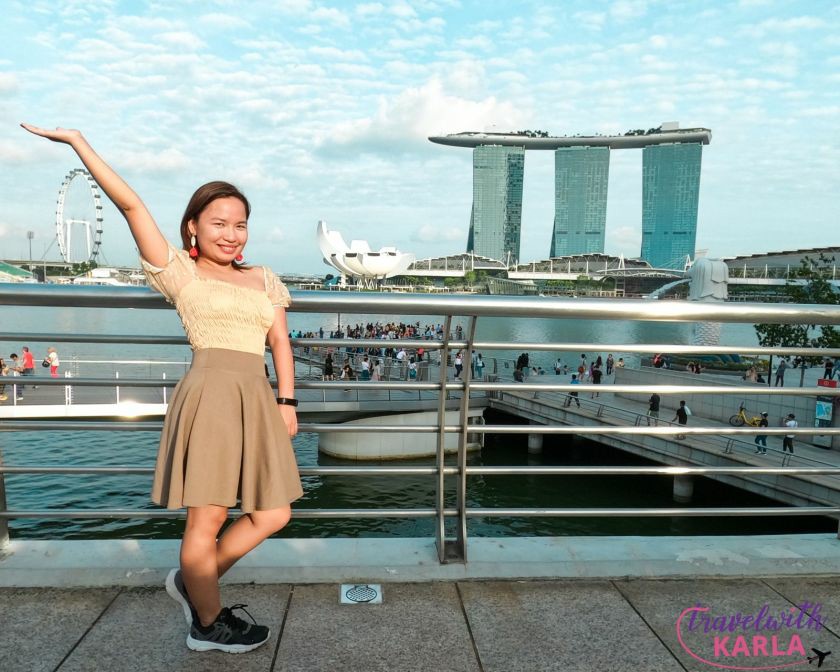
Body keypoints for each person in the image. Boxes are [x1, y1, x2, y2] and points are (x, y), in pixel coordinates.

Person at [23, 123, 302, 654]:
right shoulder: (180, 272)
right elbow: (130, 206)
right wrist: (81, 143)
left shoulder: (264, 277)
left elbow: (281, 344)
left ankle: (194, 582)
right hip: (210, 397)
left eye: (241, 225)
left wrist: (287, 401)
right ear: (192, 227)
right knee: (210, 515)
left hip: (258, 398)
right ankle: (208, 623)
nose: (232, 234)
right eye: (219, 223)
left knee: (274, 512)